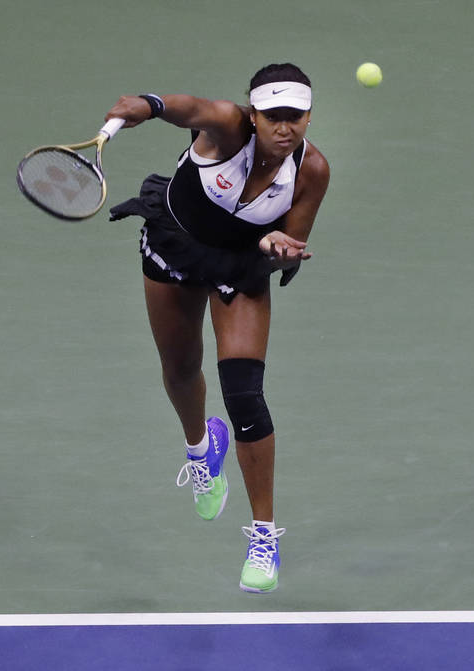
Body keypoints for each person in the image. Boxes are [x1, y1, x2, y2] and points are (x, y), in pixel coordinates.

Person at [105, 63, 330, 593]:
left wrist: (276, 250)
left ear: (307, 117)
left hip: (240, 267)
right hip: (175, 245)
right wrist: (151, 104)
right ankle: (201, 448)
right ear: (253, 114)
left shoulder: (312, 170)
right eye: (272, 115)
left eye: (294, 117)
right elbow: (192, 108)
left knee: (245, 395)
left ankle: (264, 537)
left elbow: (288, 244)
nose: (284, 127)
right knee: (180, 369)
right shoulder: (229, 127)